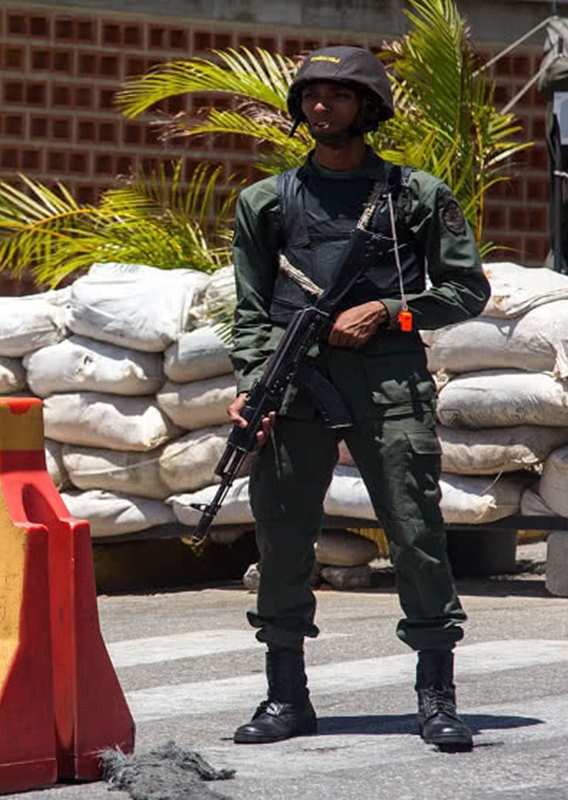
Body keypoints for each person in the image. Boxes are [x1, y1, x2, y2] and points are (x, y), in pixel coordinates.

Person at [226, 46, 490, 750]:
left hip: (389, 386)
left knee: (415, 536)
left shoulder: (416, 196)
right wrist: (255, 386)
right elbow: (250, 313)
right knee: (283, 541)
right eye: (311, 95)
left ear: (368, 108)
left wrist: (390, 313)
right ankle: (287, 697)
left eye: (338, 96)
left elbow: (467, 290)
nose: (322, 107)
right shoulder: (266, 202)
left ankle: (436, 697)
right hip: (298, 385)